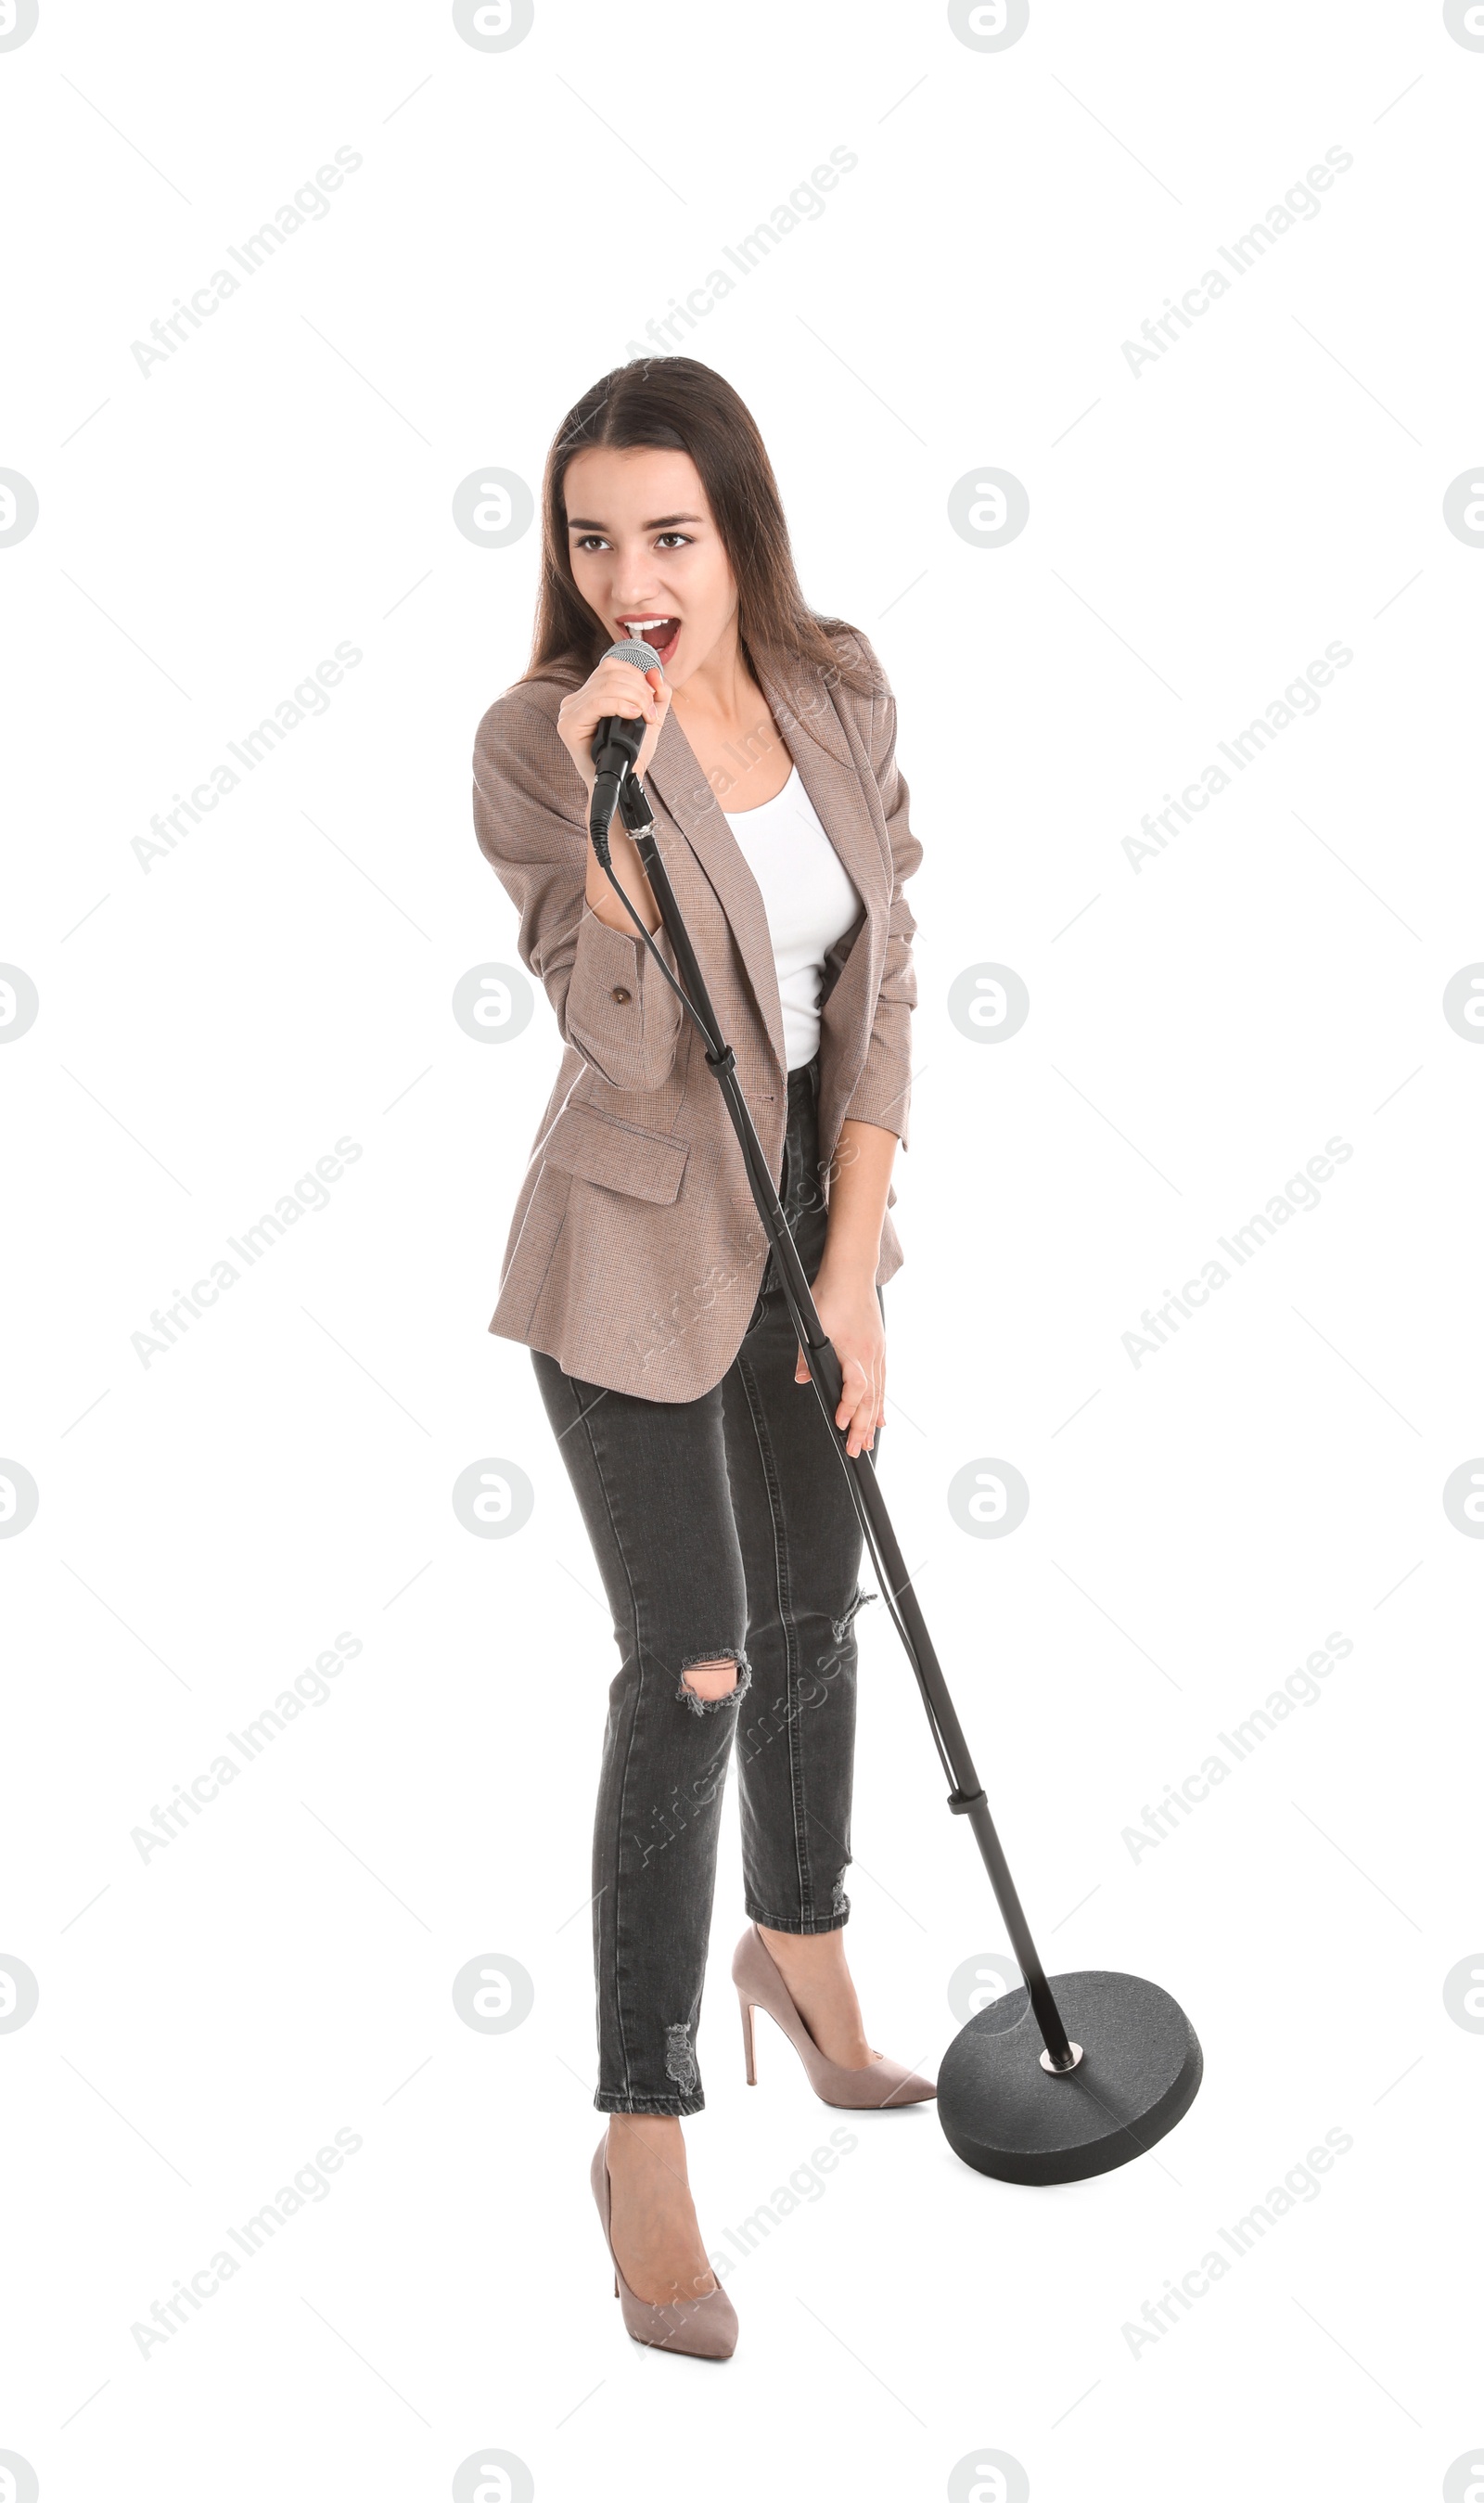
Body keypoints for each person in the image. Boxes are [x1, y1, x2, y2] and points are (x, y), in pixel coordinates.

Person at [471, 356, 930, 2360]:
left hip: (798, 1250)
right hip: (630, 1258)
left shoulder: (835, 685)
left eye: (669, 531)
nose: (631, 572)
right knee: (695, 1660)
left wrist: (855, 1269)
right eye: (591, 538)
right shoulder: (534, 741)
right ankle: (640, 2126)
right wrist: (613, 797)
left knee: (816, 1619)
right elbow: (620, 1033)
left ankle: (802, 1950)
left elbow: (881, 978)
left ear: (737, 526)